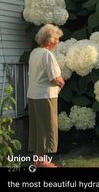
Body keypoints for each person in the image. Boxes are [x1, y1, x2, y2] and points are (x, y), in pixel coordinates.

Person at [27, 24, 65, 168]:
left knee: (37, 127)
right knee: (47, 128)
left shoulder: (34, 53)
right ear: (50, 40)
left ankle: (37, 160)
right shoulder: (47, 54)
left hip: (33, 94)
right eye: (57, 39)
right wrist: (61, 82)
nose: (58, 42)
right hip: (45, 96)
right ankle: (42, 162)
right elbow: (54, 78)